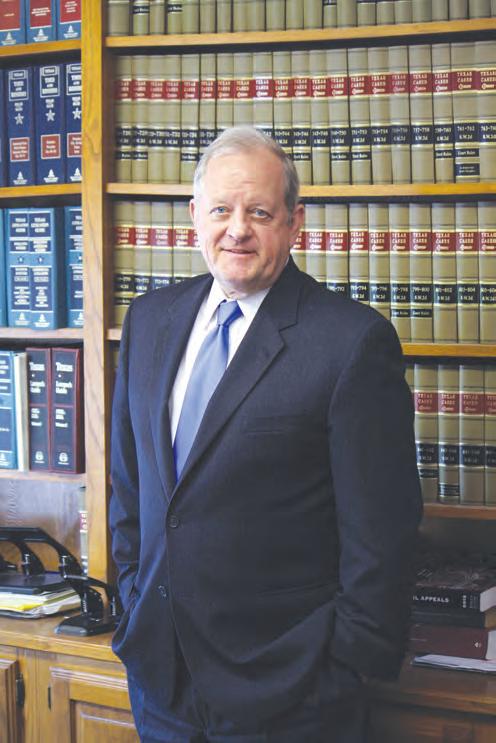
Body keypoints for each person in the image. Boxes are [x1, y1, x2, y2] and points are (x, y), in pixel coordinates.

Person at [109, 125, 422, 743]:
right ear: (194, 216)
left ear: (293, 222)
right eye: (221, 210)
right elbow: (129, 486)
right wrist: (131, 596)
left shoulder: (351, 342)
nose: (238, 230)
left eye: (259, 212)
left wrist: (343, 667)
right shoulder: (149, 320)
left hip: (291, 697)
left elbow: (383, 536)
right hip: (160, 683)